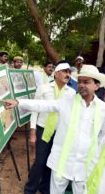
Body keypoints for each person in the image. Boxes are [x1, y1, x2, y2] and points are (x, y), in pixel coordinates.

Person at [1, 65, 105, 194]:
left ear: (97, 85)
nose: (81, 85)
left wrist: (97, 159)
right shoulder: (67, 101)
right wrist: (18, 102)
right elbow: (44, 105)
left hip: (85, 166)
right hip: (62, 162)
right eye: (80, 81)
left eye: (86, 82)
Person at [26, 61, 76, 194]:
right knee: (40, 161)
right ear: (56, 73)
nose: (68, 74)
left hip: (60, 132)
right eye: (65, 71)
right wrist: (32, 132)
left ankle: (44, 188)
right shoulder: (43, 88)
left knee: (52, 162)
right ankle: (30, 189)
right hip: (43, 129)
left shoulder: (71, 93)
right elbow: (35, 110)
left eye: (69, 72)